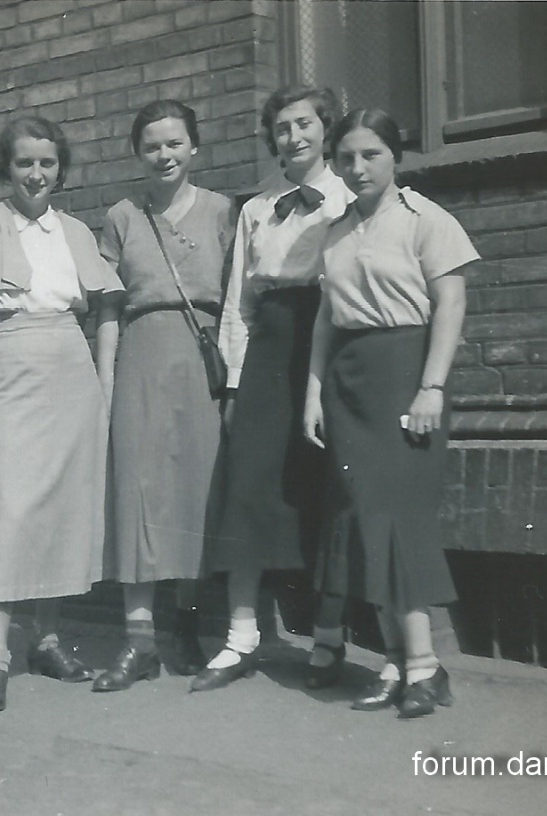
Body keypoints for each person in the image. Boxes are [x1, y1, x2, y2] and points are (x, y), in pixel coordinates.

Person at [0, 115, 124, 713]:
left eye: (47, 163)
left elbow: (100, 305)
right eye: (24, 162)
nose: (36, 174)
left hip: (71, 371)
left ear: (61, 169)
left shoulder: (76, 232)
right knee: (8, 509)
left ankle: (48, 641)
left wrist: (98, 380)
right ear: (5, 168)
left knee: (59, 509)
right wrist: (15, 345)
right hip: (13, 366)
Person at [303, 108, 477, 718]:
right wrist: (313, 393)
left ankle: (423, 665)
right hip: (349, 383)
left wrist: (432, 387)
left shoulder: (427, 219)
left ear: (395, 156)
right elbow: (326, 319)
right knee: (361, 518)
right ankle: (401, 664)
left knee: (397, 517)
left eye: (370, 154)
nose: (357, 168)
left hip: (407, 375)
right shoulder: (333, 231)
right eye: (345, 157)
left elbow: (451, 303)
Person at [194, 86, 354, 693]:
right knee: (249, 484)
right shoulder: (256, 208)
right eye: (283, 127)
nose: (294, 137)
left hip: (330, 336)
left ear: (326, 129)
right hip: (269, 346)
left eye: (305, 124)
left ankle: (329, 638)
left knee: (326, 486)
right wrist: (236, 384)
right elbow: (239, 301)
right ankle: (241, 637)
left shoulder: (349, 196)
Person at [91, 101, 235, 691]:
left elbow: (238, 300)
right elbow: (107, 307)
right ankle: (139, 641)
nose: (164, 155)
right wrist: (105, 381)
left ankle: (187, 627)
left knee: (196, 493)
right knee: (139, 492)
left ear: (193, 147)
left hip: (202, 357)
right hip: (141, 357)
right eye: (152, 145)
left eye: (174, 143)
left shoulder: (222, 211)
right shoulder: (122, 217)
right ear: (137, 153)